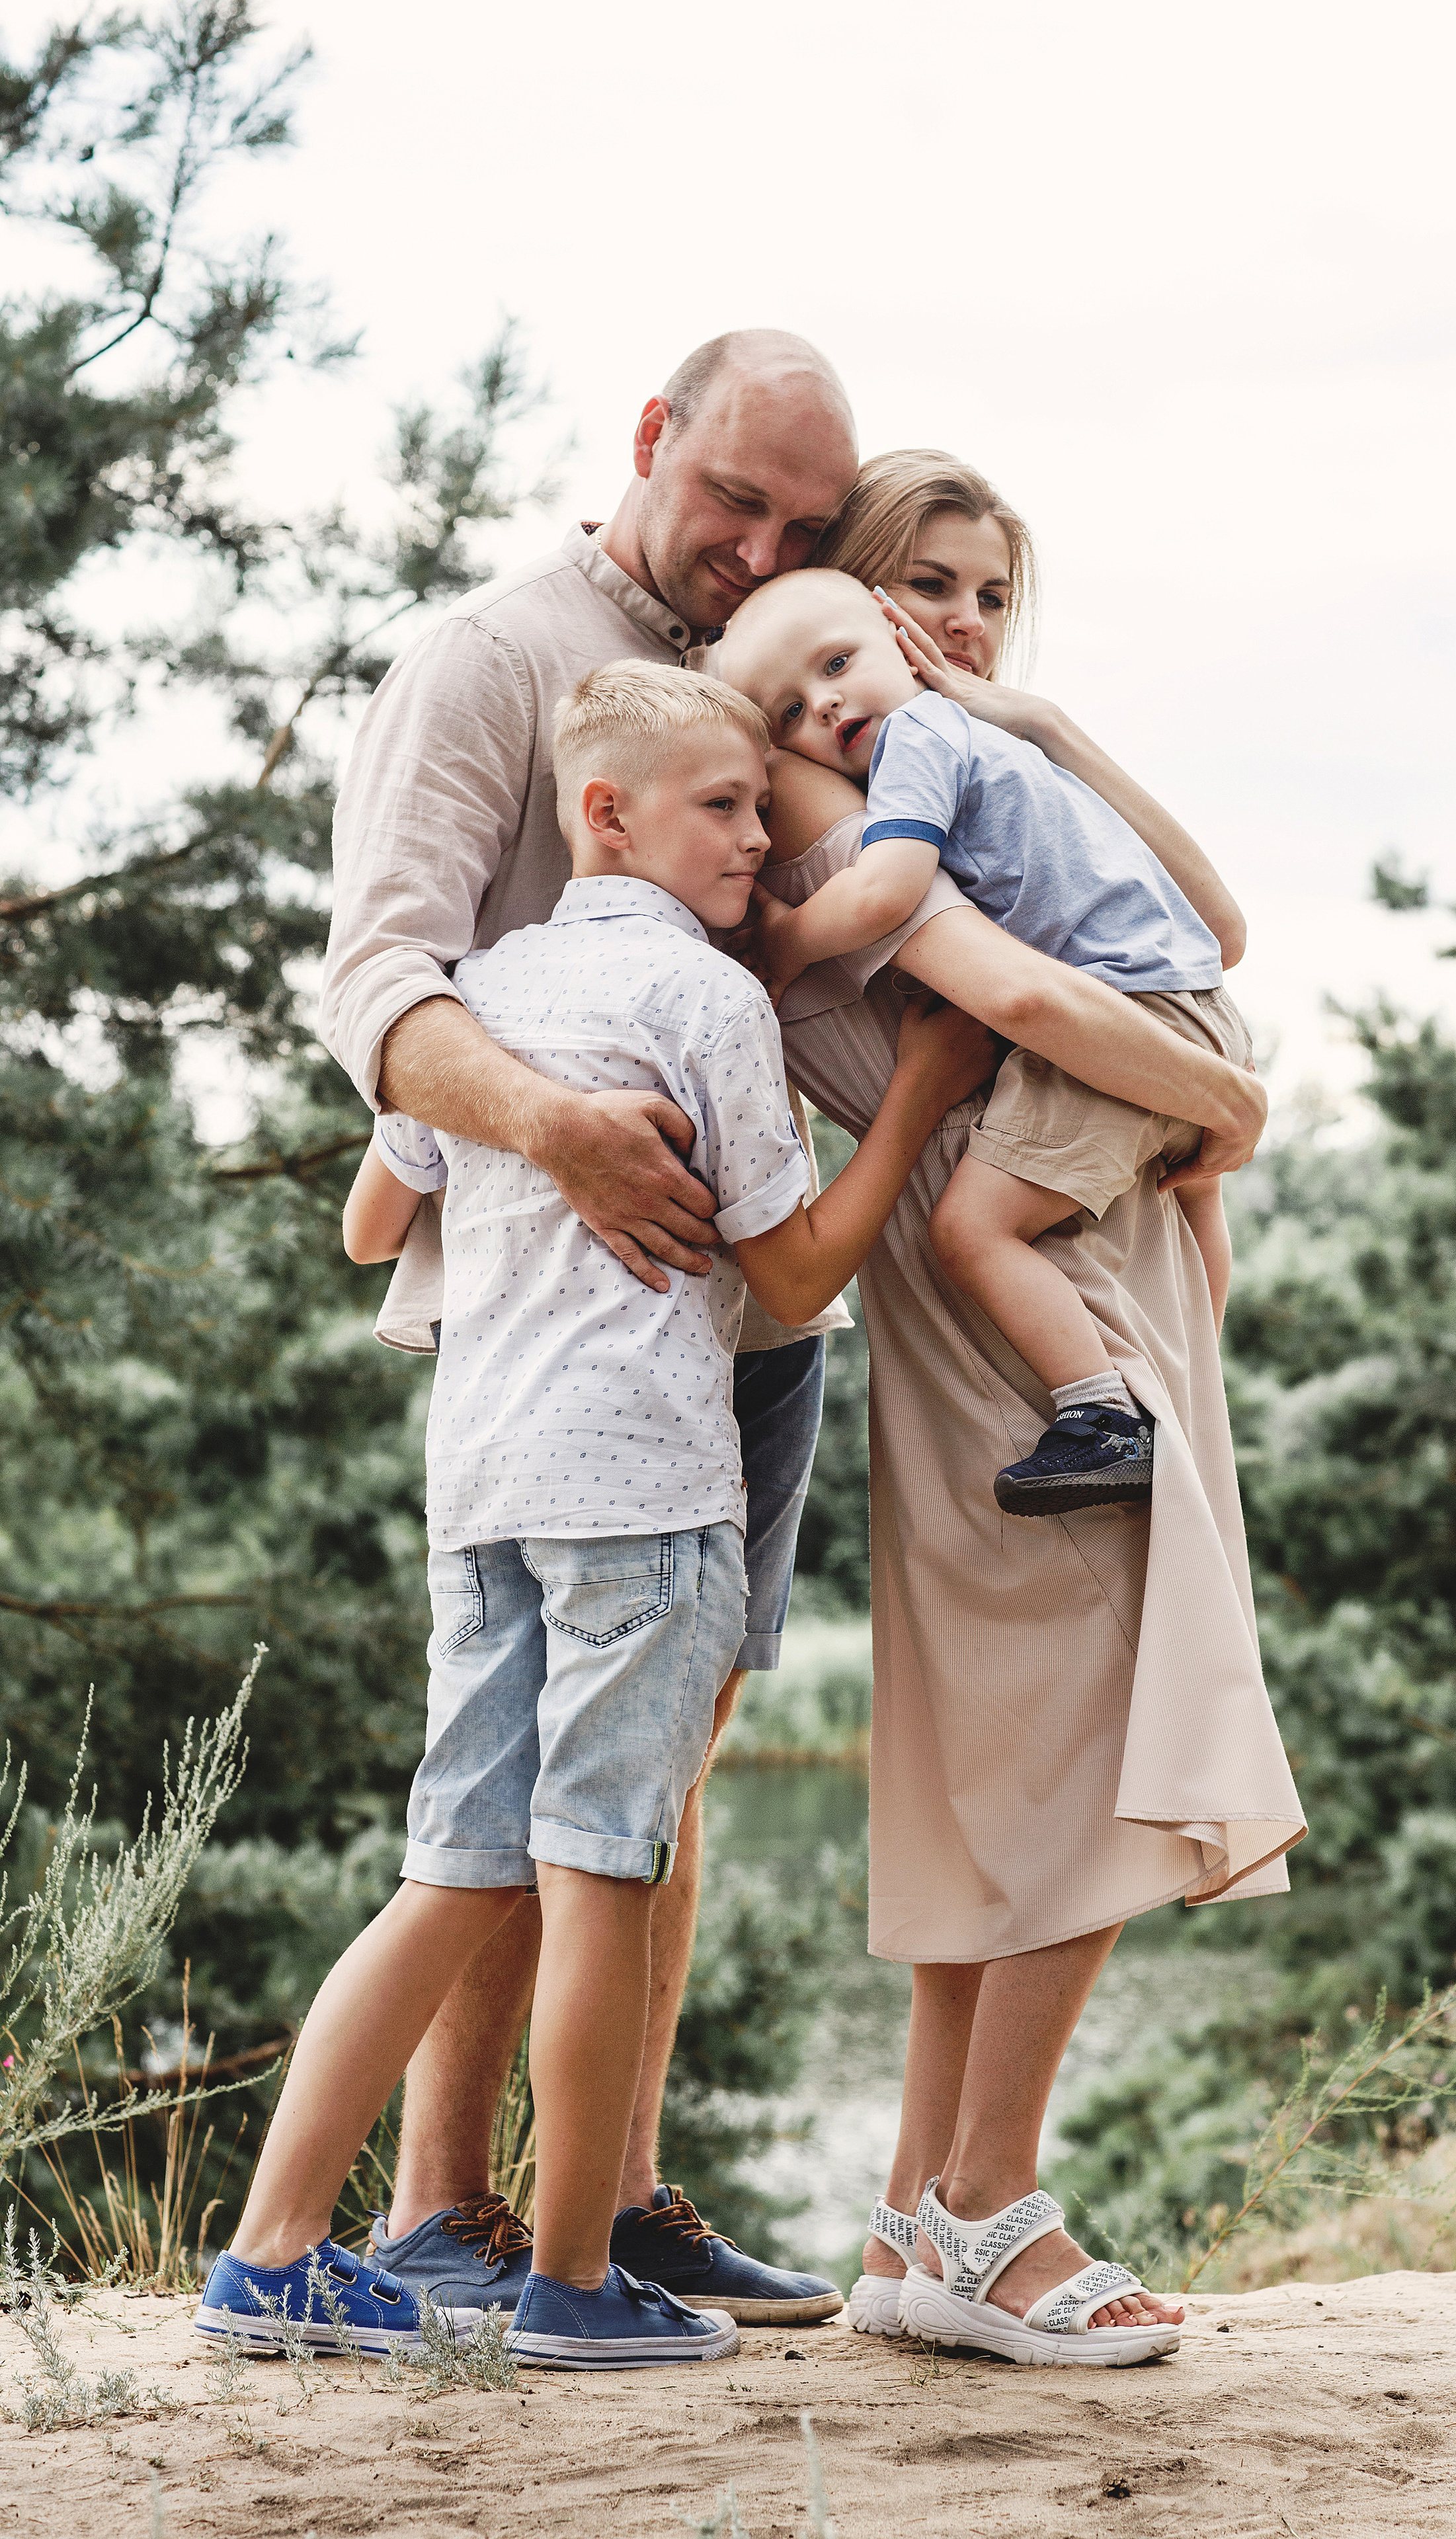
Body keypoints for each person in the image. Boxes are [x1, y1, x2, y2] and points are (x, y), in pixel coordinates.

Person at [196, 666, 995, 2367]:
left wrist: (522, 1160)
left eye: (763, 815)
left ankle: (266, 2257)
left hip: (478, 1486)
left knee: (448, 1873)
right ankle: (569, 2285)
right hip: (638, 1499)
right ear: (602, 810)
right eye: (722, 807)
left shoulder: (474, 991)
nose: (760, 842)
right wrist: (918, 1092)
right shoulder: (706, 1001)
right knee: (596, 1873)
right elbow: (788, 1274)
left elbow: (364, 1227)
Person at [729, 450, 1303, 2364]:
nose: (962, 627)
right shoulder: (838, 766)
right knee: (1093, 1717)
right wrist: (1224, 1109)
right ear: (856, 590)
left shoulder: (969, 740)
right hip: (1022, 1257)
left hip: (1069, 1224)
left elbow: (1211, 929)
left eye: (992, 595)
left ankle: (921, 2215)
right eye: (931, 588)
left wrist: (1037, 714)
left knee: (1033, 1733)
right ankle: (986, 2212)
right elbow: (1012, 999)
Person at [317, 331, 863, 2324]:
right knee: (526, 1793)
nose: (761, 543)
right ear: (651, 440)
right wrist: (552, 1129)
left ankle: (608, 2201)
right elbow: (377, 971)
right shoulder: (492, 658)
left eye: (804, 521)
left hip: (739, 1315)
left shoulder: (798, 647)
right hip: (564, 1325)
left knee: (659, 1776)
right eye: (734, 495)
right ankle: (443, 2219)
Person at [719, 566, 1242, 1516]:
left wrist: (786, 940)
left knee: (971, 1229)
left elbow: (885, 890)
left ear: (899, 642)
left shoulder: (919, 737)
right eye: (790, 711)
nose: (827, 704)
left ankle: (1103, 1418)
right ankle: (1196, 1391)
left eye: (839, 664)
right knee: (1192, 1200)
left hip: (1127, 1009)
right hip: (1184, 999)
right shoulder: (976, 743)